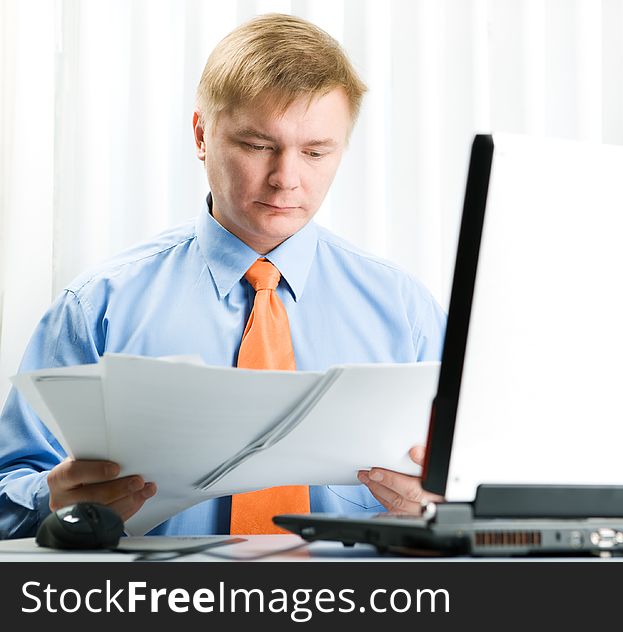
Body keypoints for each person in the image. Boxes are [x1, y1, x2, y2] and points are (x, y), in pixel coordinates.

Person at [0, 13, 445, 539]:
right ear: (201, 134)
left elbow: (473, 490)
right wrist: (54, 501)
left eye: (316, 151)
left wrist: (440, 509)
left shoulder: (406, 312)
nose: (286, 179)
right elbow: (10, 493)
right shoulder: (98, 305)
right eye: (258, 146)